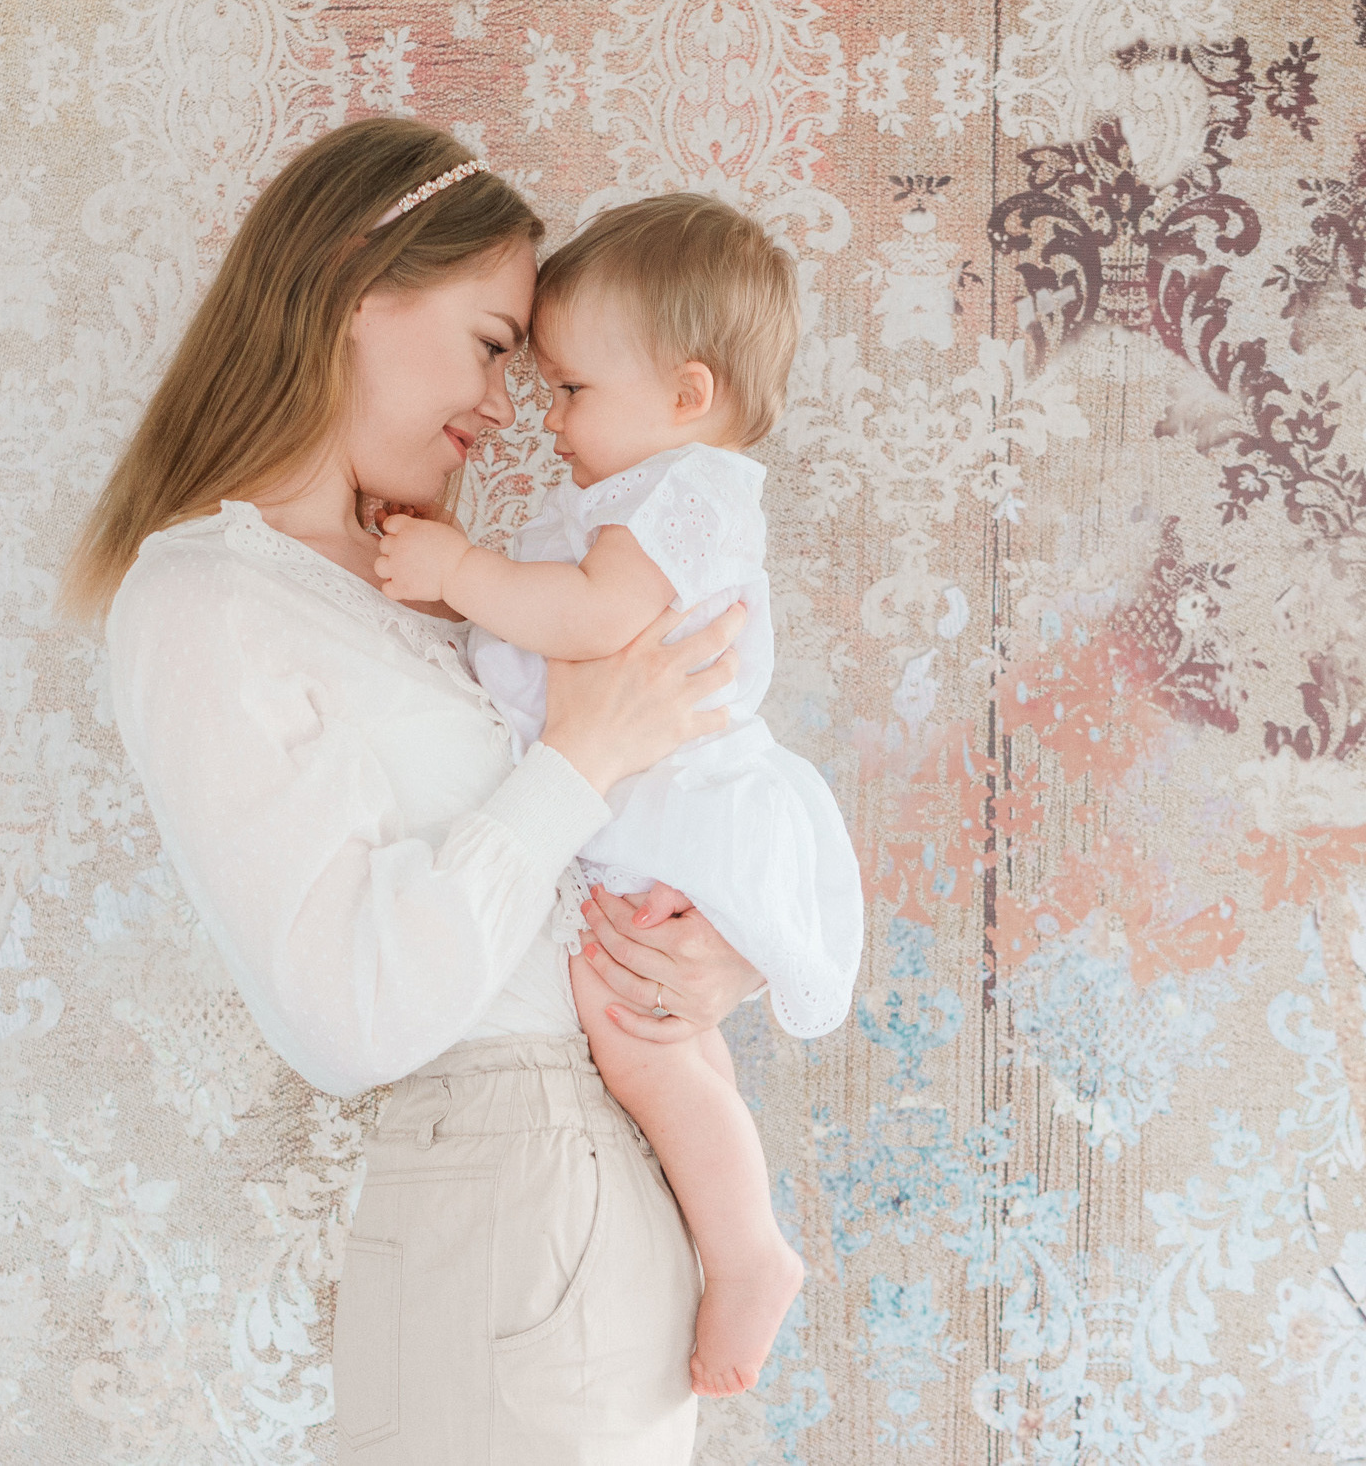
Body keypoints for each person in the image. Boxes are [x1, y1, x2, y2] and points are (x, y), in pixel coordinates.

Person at [65, 119, 816, 1463]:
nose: (507, 406)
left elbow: (596, 845)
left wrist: (711, 958)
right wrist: (579, 761)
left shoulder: (419, 589)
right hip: (509, 1193)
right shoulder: (208, 599)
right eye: (488, 343)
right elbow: (353, 1014)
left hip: (606, 1188)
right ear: (360, 288)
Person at [373, 193, 863, 1396]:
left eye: (570, 391)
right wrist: (461, 591)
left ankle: (747, 1249)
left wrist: (458, 567)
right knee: (674, 1045)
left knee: (639, 1042)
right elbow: (548, 643)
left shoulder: (686, 494)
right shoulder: (635, 499)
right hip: (651, 803)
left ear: (687, 395)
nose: (543, 420)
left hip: (672, 804)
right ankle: (740, 1234)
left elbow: (590, 620)